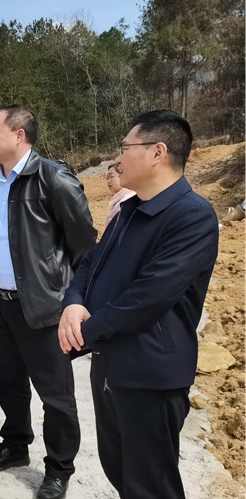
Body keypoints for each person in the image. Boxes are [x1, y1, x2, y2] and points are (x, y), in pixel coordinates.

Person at [58, 110, 219, 498]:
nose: (118, 158)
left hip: (150, 376)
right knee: (120, 473)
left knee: (151, 486)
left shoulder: (192, 216)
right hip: (111, 365)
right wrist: (73, 303)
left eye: (125, 148)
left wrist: (82, 333)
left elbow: (149, 298)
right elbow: (91, 263)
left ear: (157, 152)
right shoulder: (129, 210)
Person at [0, 105, 97, 499]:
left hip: (44, 309)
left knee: (55, 396)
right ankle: (15, 445)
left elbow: (84, 246)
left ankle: (59, 469)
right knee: (9, 383)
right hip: (1, 303)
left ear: (19, 135)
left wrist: (73, 300)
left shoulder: (53, 179)